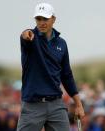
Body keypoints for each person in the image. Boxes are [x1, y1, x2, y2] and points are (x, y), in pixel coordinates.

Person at [17, 2, 85, 131]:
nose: (42, 22)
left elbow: (66, 75)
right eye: (38, 19)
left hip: (56, 105)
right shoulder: (31, 37)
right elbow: (25, 36)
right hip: (32, 105)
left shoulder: (62, 44)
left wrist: (78, 104)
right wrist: (25, 34)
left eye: (45, 19)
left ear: (53, 19)